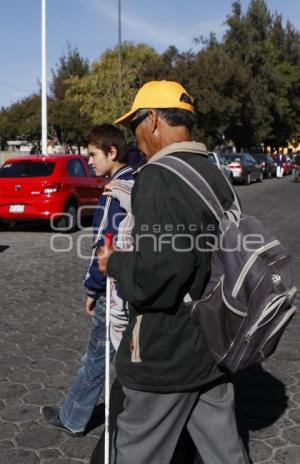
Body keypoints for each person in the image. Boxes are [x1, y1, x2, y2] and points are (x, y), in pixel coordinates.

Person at [98, 80, 250, 463]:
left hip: (168, 350)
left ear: (152, 120)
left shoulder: (158, 176)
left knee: (138, 449)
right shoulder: (211, 172)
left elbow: (157, 278)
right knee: (224, 451)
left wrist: (113, 262)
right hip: (215, 338)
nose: (135, 138)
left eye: (135, 125)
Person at [41, 124, 134, 436]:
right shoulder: (141, 181)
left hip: (115, 288)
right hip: (135, 283)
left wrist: (93, 288)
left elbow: (105, 247)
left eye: (93, 155)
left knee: (96, 357)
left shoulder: (113, 192)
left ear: (112, 152)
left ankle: (73, 418)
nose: (89, 161)